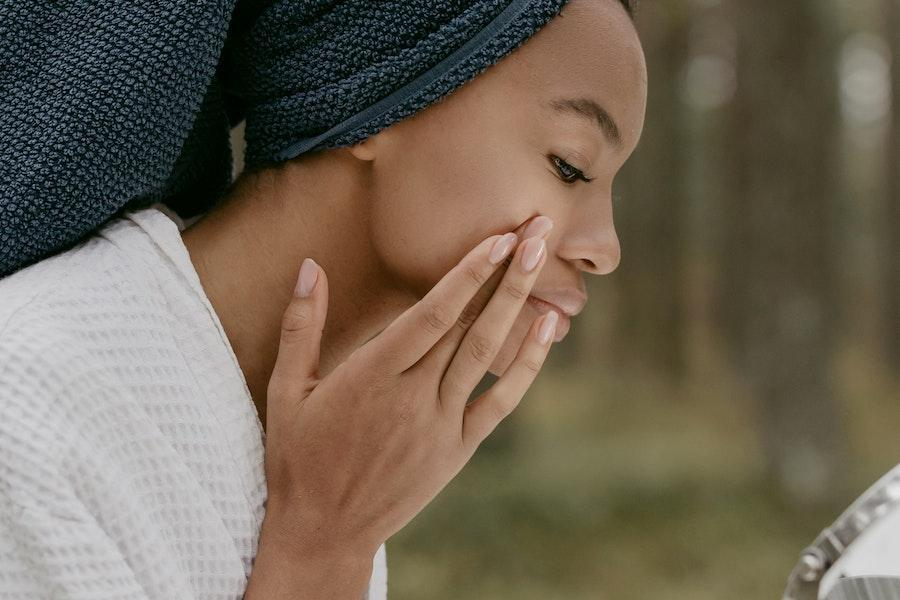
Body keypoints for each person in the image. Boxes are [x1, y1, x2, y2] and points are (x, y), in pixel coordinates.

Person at [0, 0, 646, 598]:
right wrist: (320, 551)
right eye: (570, 166)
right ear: (382, 97)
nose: (604, 248)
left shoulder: (331, 443)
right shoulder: (26, 410)